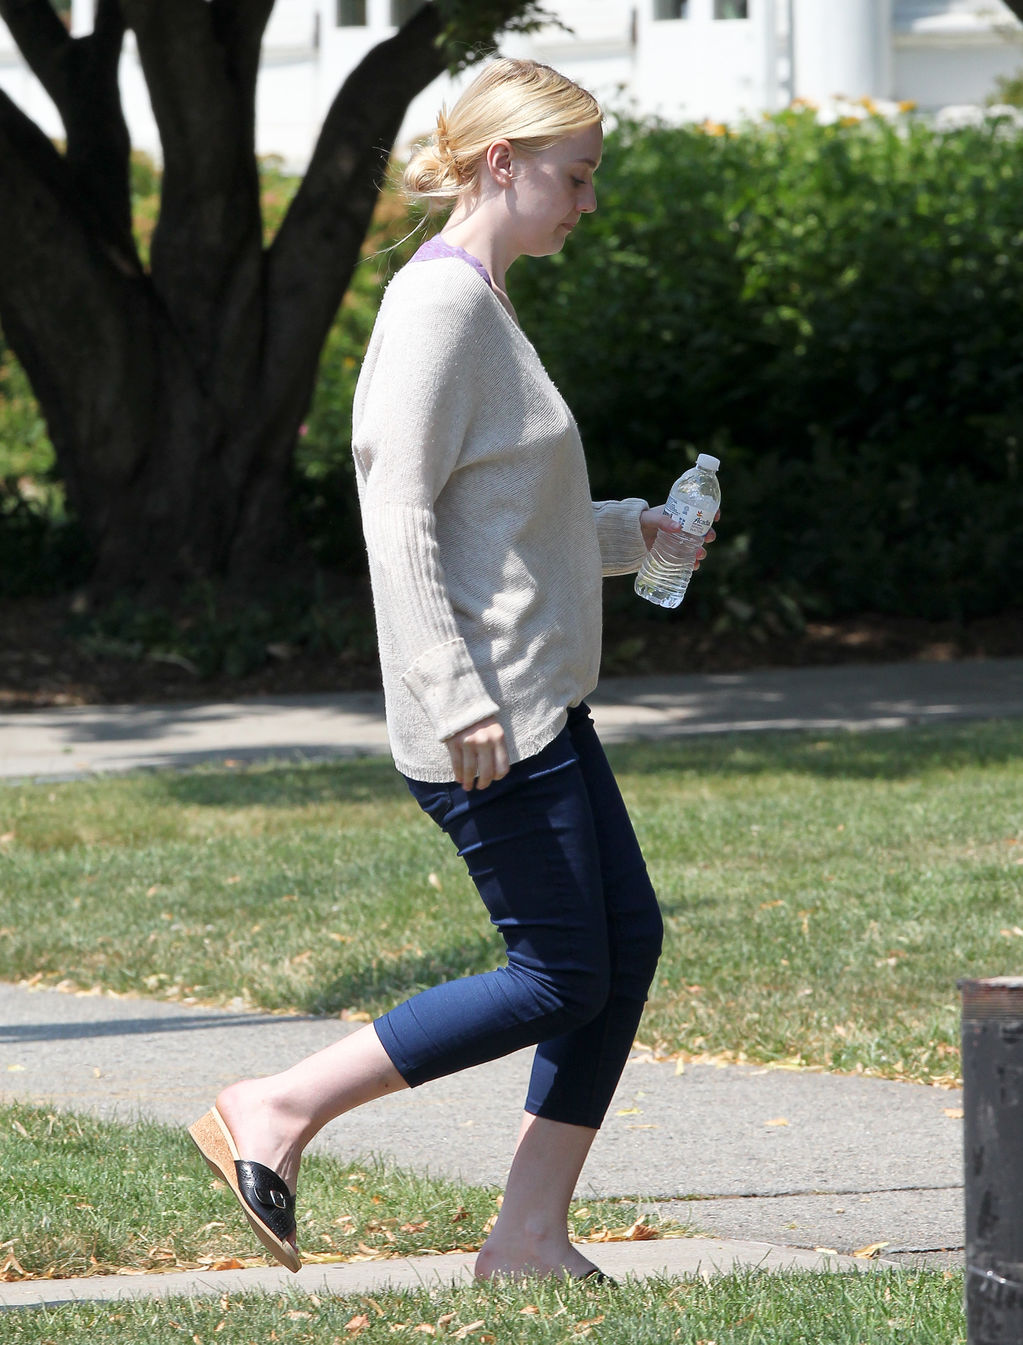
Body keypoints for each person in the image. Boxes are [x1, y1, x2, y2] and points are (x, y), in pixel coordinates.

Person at [189, 57, 714, 1284]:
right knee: (559, 973)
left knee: (620, 946)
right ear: (502, 163)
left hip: (538, 701)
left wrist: (633, 533)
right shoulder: (439, 307)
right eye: (575, 176)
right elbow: (400, 512)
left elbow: (506, 518)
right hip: (489, 712)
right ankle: (276, 1107)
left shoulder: (484, 302)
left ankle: (527, 1237)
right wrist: (454, 686)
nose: (588, 201)